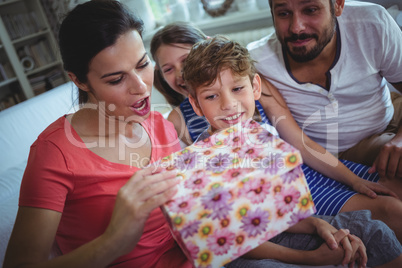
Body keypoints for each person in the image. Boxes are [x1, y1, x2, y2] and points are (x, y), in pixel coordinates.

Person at [151, 21, 402, 242]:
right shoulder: (177, 119)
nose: (180, 74)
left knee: (394, 188)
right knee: (391, 209)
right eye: (168, 69)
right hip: (279, 189)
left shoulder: (248, 85)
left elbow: (301, 144)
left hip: (306, 168)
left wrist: (354, 180)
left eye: (184, 61)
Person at [3, 1, 192, 267]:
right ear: (79, 80)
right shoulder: (54, 154)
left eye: (142, 64)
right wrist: (114, 241)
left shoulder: (161, 124)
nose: (141, 87)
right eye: (116, 79)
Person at [247, 0, 402, 180]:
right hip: (342, 150)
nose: (296, 28)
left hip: (391, 110)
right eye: (283, 13)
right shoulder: (258, 62)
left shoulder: (372, 23)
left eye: (311, 10)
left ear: (337, 5)